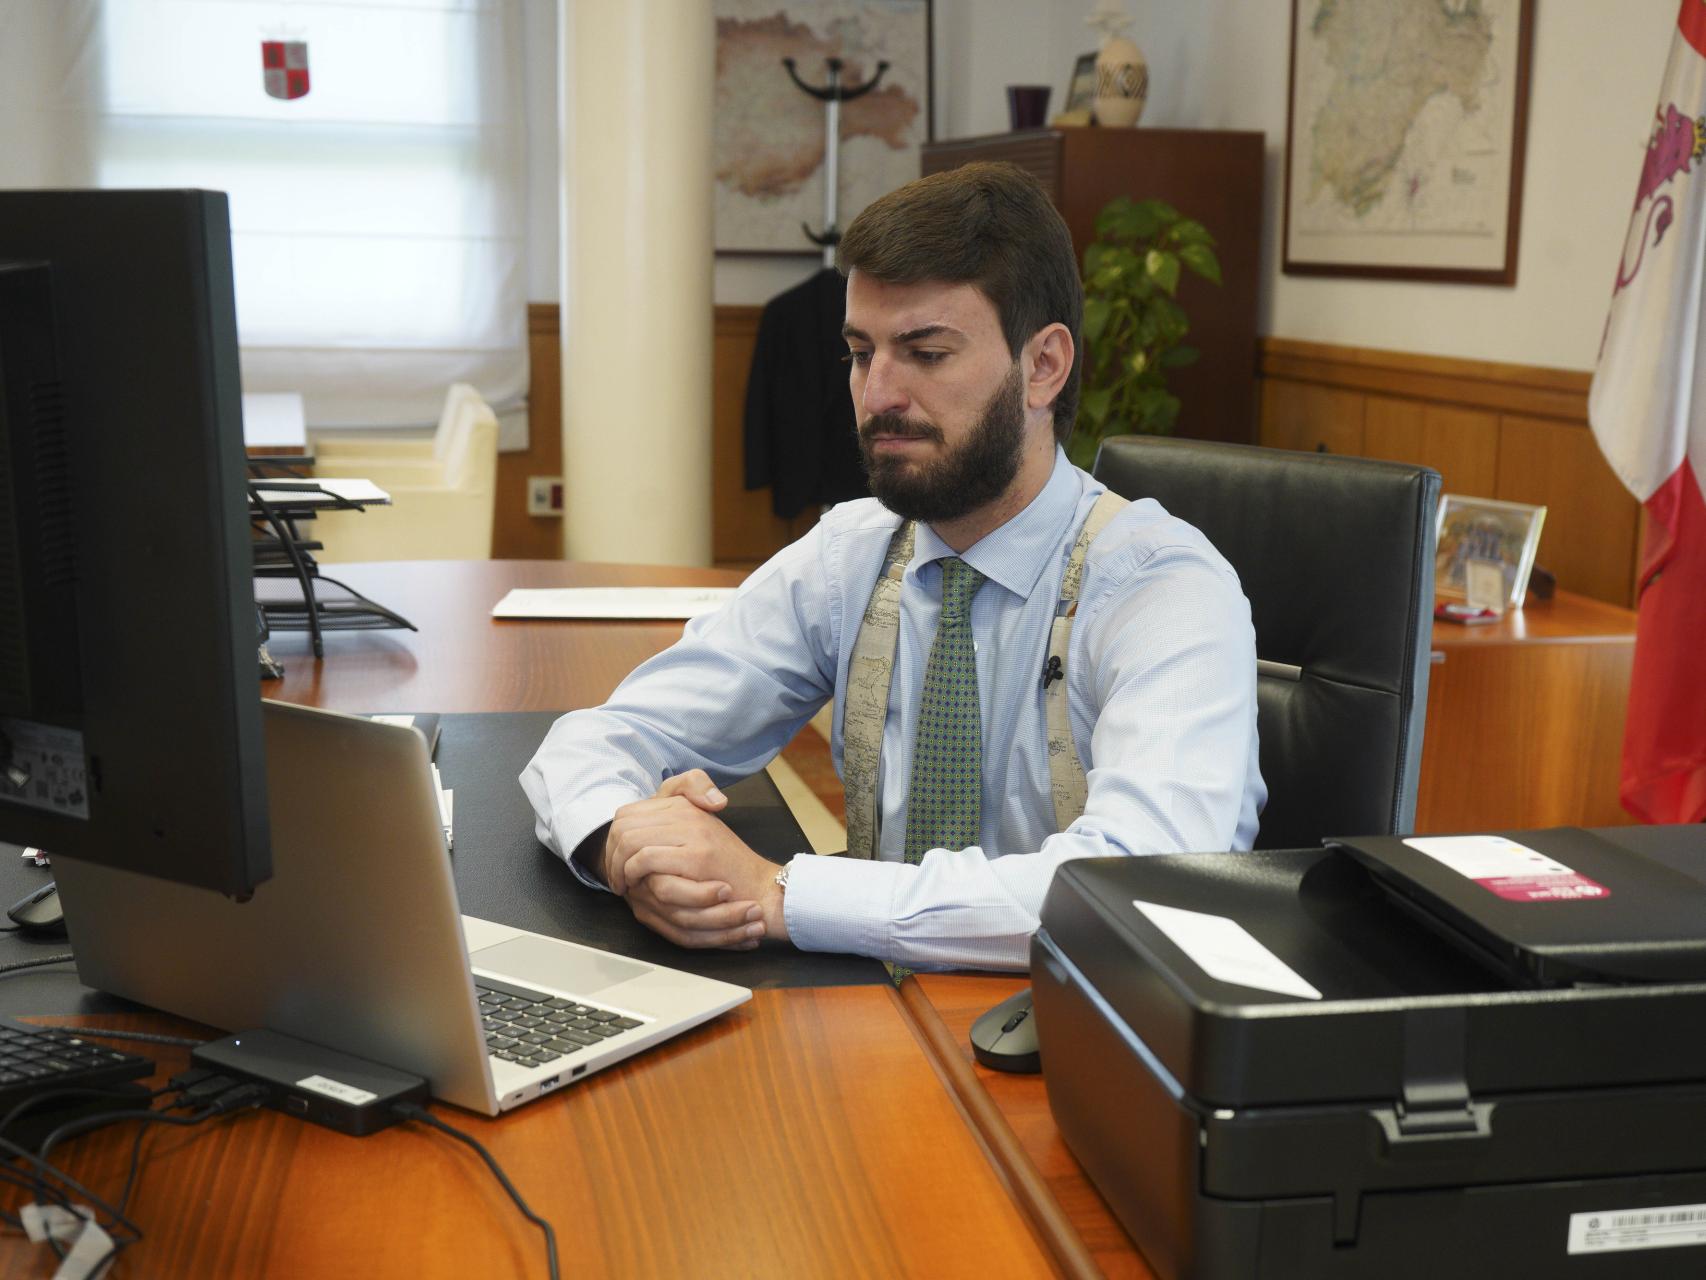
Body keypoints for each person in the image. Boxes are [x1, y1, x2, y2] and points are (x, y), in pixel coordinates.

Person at [521, 162, 1265, 971]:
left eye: (926, 353)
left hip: (1076, 1025)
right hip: (876, 1009)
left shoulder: (1162, 586)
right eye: (859, 352)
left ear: (1044, 367)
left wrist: (779, 891)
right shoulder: (853, 553)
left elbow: (1140, 886)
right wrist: (621, 840)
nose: (876, 396)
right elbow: (605, 737)